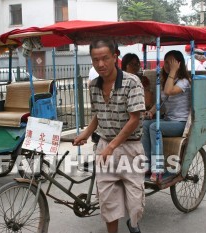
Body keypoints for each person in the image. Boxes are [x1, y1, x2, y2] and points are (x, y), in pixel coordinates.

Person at [73, 39, 145, 233]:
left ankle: (133, 221)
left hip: (130, 149)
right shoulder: (94, 85)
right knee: (107, 202)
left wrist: (112, 146)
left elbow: (134, 119)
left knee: (135, 203)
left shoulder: (132, 82)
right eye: (95, 60)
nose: (100, 64)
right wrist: (87, 133)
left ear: (115, 57)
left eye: (105, 58)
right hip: (104, 148)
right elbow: (99, 112)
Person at [142, 50, 191, 181]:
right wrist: (151, 111)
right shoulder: (166, 81)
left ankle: (158, 169)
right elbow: (161, 103)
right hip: (169, 120)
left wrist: (173, 71)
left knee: (154, 127)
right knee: (145, 124)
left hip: (180, 123)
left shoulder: (184, 82)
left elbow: (169, 91)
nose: (168, 65)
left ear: (178, 64)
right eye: (166, 62)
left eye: (171, 63)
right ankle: (146, 164)